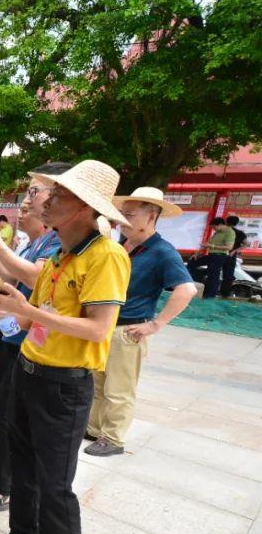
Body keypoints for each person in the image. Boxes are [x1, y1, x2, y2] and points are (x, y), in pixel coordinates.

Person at [0, 159, 130, 534]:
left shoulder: (105, 255)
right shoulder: (61, 254)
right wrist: (9, 307)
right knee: (22, 463)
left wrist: (24, 310)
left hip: (65, 384)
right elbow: (36, 316)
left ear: (85, 208)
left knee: (57, 486)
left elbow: (99, 327)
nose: (46, 200)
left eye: (58, 195)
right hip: (29, 368)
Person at [0, 163, 68, 513]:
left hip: (42, 349)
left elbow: (36, 281)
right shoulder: (45, 242)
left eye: (33, 193)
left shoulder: (72, 244)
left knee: (10, 418)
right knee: (4, 412)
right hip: (17, 335)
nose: (26, 202)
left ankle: (4, 486)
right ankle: (4, 479)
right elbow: (10, 273)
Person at [84, 187, 195, 456]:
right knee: (97, 385)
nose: (123, 220)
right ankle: (94, 428)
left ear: (152, 215)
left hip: (128, 330)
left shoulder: (162, 251)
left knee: (119, 389)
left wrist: (155, 325)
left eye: (130, 215)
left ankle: (113, 439)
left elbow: (186, 289)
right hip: (104, 326)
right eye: (122, 214)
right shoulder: (121, 247)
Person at [188, 217, 235, 299]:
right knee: (192, 262)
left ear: (220, 225)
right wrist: (197, 254)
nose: (214, 229)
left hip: (220, 256)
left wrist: (212, 246)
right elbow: (207, 244)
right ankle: (190, 283)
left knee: (213, 275)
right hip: (211, 255)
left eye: (214, 227)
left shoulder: (230, 232)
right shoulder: (217, 232)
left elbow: (229, 247)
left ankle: (210, 295)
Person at [220, 215, 248, 297]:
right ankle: (225, 294)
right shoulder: (240, 233)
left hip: (219, 254)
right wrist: (235, 250)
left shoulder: (222, 231)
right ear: (236, 223)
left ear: (226, 221)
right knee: (228, 275)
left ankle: (211, 292)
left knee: (215, 273)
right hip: (231, 256)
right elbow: (246, 244)